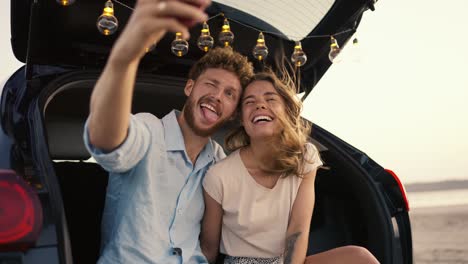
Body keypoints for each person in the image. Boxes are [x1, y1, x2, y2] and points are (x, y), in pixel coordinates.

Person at [84, 0, 254, 262]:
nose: (217, 96)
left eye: (229, 94)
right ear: (189, 88)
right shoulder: (150, 130)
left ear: (232, 112)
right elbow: (107, 140)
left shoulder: (221, 162)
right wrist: (124, 58)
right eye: (210, 84)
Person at [200, 70, 380, 264]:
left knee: (360, 258)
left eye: (270, 99)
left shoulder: (305, 157)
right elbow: (209, 248)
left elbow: (297, 230)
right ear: (242, 119)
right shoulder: (219, 176)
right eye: (249, 102)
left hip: (288, 260)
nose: (260, 104)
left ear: (286, 111)